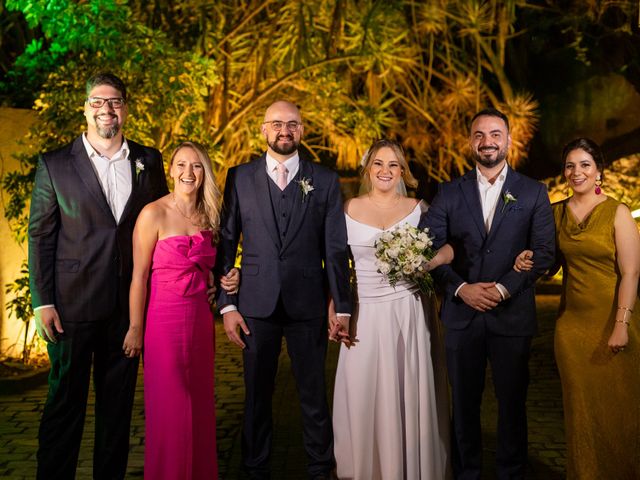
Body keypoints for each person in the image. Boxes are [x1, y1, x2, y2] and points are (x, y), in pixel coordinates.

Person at [28, 72, 169, 479]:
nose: (106, 109)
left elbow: (164, 225)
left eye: (114, 101)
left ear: (125, 107)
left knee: (117, 413)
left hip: (127, 310)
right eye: (97, 101)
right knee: (63, 406)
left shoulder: (149, 160)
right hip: (71, 308)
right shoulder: (55, 163)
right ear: (85, 107)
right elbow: (40, 235)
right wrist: (43, 301)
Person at [215, 100, 352, 479]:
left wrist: (342, 306)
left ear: (302, 130)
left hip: (307, 305)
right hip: (255, 305)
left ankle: (320, 469)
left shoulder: (324, 180)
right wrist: (227, 305)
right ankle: (255, 469)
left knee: (313, 396)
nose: (284, 130)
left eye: (292, 124)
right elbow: (227, 242)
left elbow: (335, 248)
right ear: (263, 130)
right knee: (257, 397)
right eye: (276, 124)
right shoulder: (239, 177)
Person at [421, 108, 555, 479]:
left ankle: (511, 472)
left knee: (512, 404)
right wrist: (461, 288)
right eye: (479, 135)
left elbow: (543, 252)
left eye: (495, 134)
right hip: (462, 318)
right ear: (470, 142)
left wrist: (501, 288)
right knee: (464, 405)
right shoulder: (448, 192)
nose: (487, 142)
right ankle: (467, 473)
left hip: (511, 317)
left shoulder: (533, 192)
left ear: (510, 140)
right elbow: (427, 248)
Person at [514, 138, 640, 479]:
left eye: (584, 164)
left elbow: (631, 272)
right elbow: (549, 264)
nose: (576, 172)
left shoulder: (618, 212)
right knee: (581, 411)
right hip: (572, 327)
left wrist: (621, 324)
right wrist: (529, 260)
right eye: (570, 165)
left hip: (616, 319)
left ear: (598, 170)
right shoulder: (555, 213)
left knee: (621, 410)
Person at [331, 139, 453, 479]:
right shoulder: (348, 209)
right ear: (368, 169)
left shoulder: (419, 208)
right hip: (364, 312)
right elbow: (338, 264)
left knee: (409, 392)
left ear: (402, 171)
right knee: (364, 390)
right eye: (379, 164)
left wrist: (427, 264)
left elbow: (448, 249)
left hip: (409, 312)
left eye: (393, 165)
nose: (386, 171)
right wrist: (334, 304)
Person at [124, 141, 238, 479]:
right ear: (171, 170)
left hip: (200, 323)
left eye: (197, 166)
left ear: (205, 173)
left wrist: (230, 277)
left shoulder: (211, 215)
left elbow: (218, 268)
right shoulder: (153, 213)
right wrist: (134, 327)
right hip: (162, 321)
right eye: (182, 165)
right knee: (172, 410)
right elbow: (139, 276)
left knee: (200, 406)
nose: (189, 172)